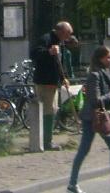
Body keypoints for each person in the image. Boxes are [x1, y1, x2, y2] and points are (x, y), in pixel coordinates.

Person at [67, 45, 110, 193]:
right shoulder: (94, 75)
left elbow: (107, 94)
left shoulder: (105, 73)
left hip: (101, 118)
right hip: (92, 118)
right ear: (101, 59)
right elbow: (95, 101)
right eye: (108, 57)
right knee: (84, 150)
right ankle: (73, 184)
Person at [33, 20, 73, 151]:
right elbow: (34, 54)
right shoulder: (46, 39)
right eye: (68, 34)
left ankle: (47, 139)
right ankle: (46, 142)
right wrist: (49, 52)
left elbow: (59, 63)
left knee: (52, 109)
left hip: (53, 82)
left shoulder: (59, 42)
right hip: (45, 82)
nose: (69, 37)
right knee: (47, 110)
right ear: (61, 31)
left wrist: (63, 78)